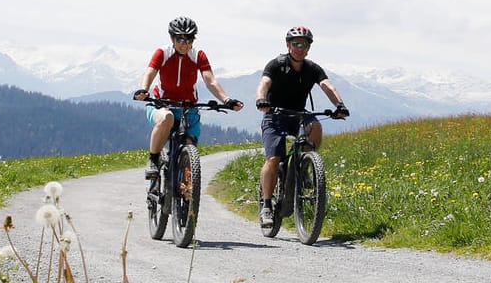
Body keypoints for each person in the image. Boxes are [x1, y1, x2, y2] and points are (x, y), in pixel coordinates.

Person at [253, 24, 349, 228]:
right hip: (274, 115)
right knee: (273, 158)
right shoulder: (276, 64)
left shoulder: (312, 68)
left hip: (298, 115)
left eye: (304, 45)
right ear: (288, 45)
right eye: (296, 44)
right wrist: (261, 100)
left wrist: (339, 105)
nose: (300, 48)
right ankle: (267, 205)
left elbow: (327, 86)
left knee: (315, 127)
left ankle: (305, 165)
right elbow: (264, 83)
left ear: (308, 48)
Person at [132, 17, 242, 179]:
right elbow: (150, 72)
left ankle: (185, 192)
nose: (185, 44)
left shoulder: (198, 55)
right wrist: (143, 90)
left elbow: (210, 80)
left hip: (187, 106)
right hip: (161, 103)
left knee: (190, 144)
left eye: (189, 39)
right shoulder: (163, 53)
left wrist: (226, 100)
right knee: (167, 118)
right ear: (172, 39)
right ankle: (153, 160)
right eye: (180, 39)